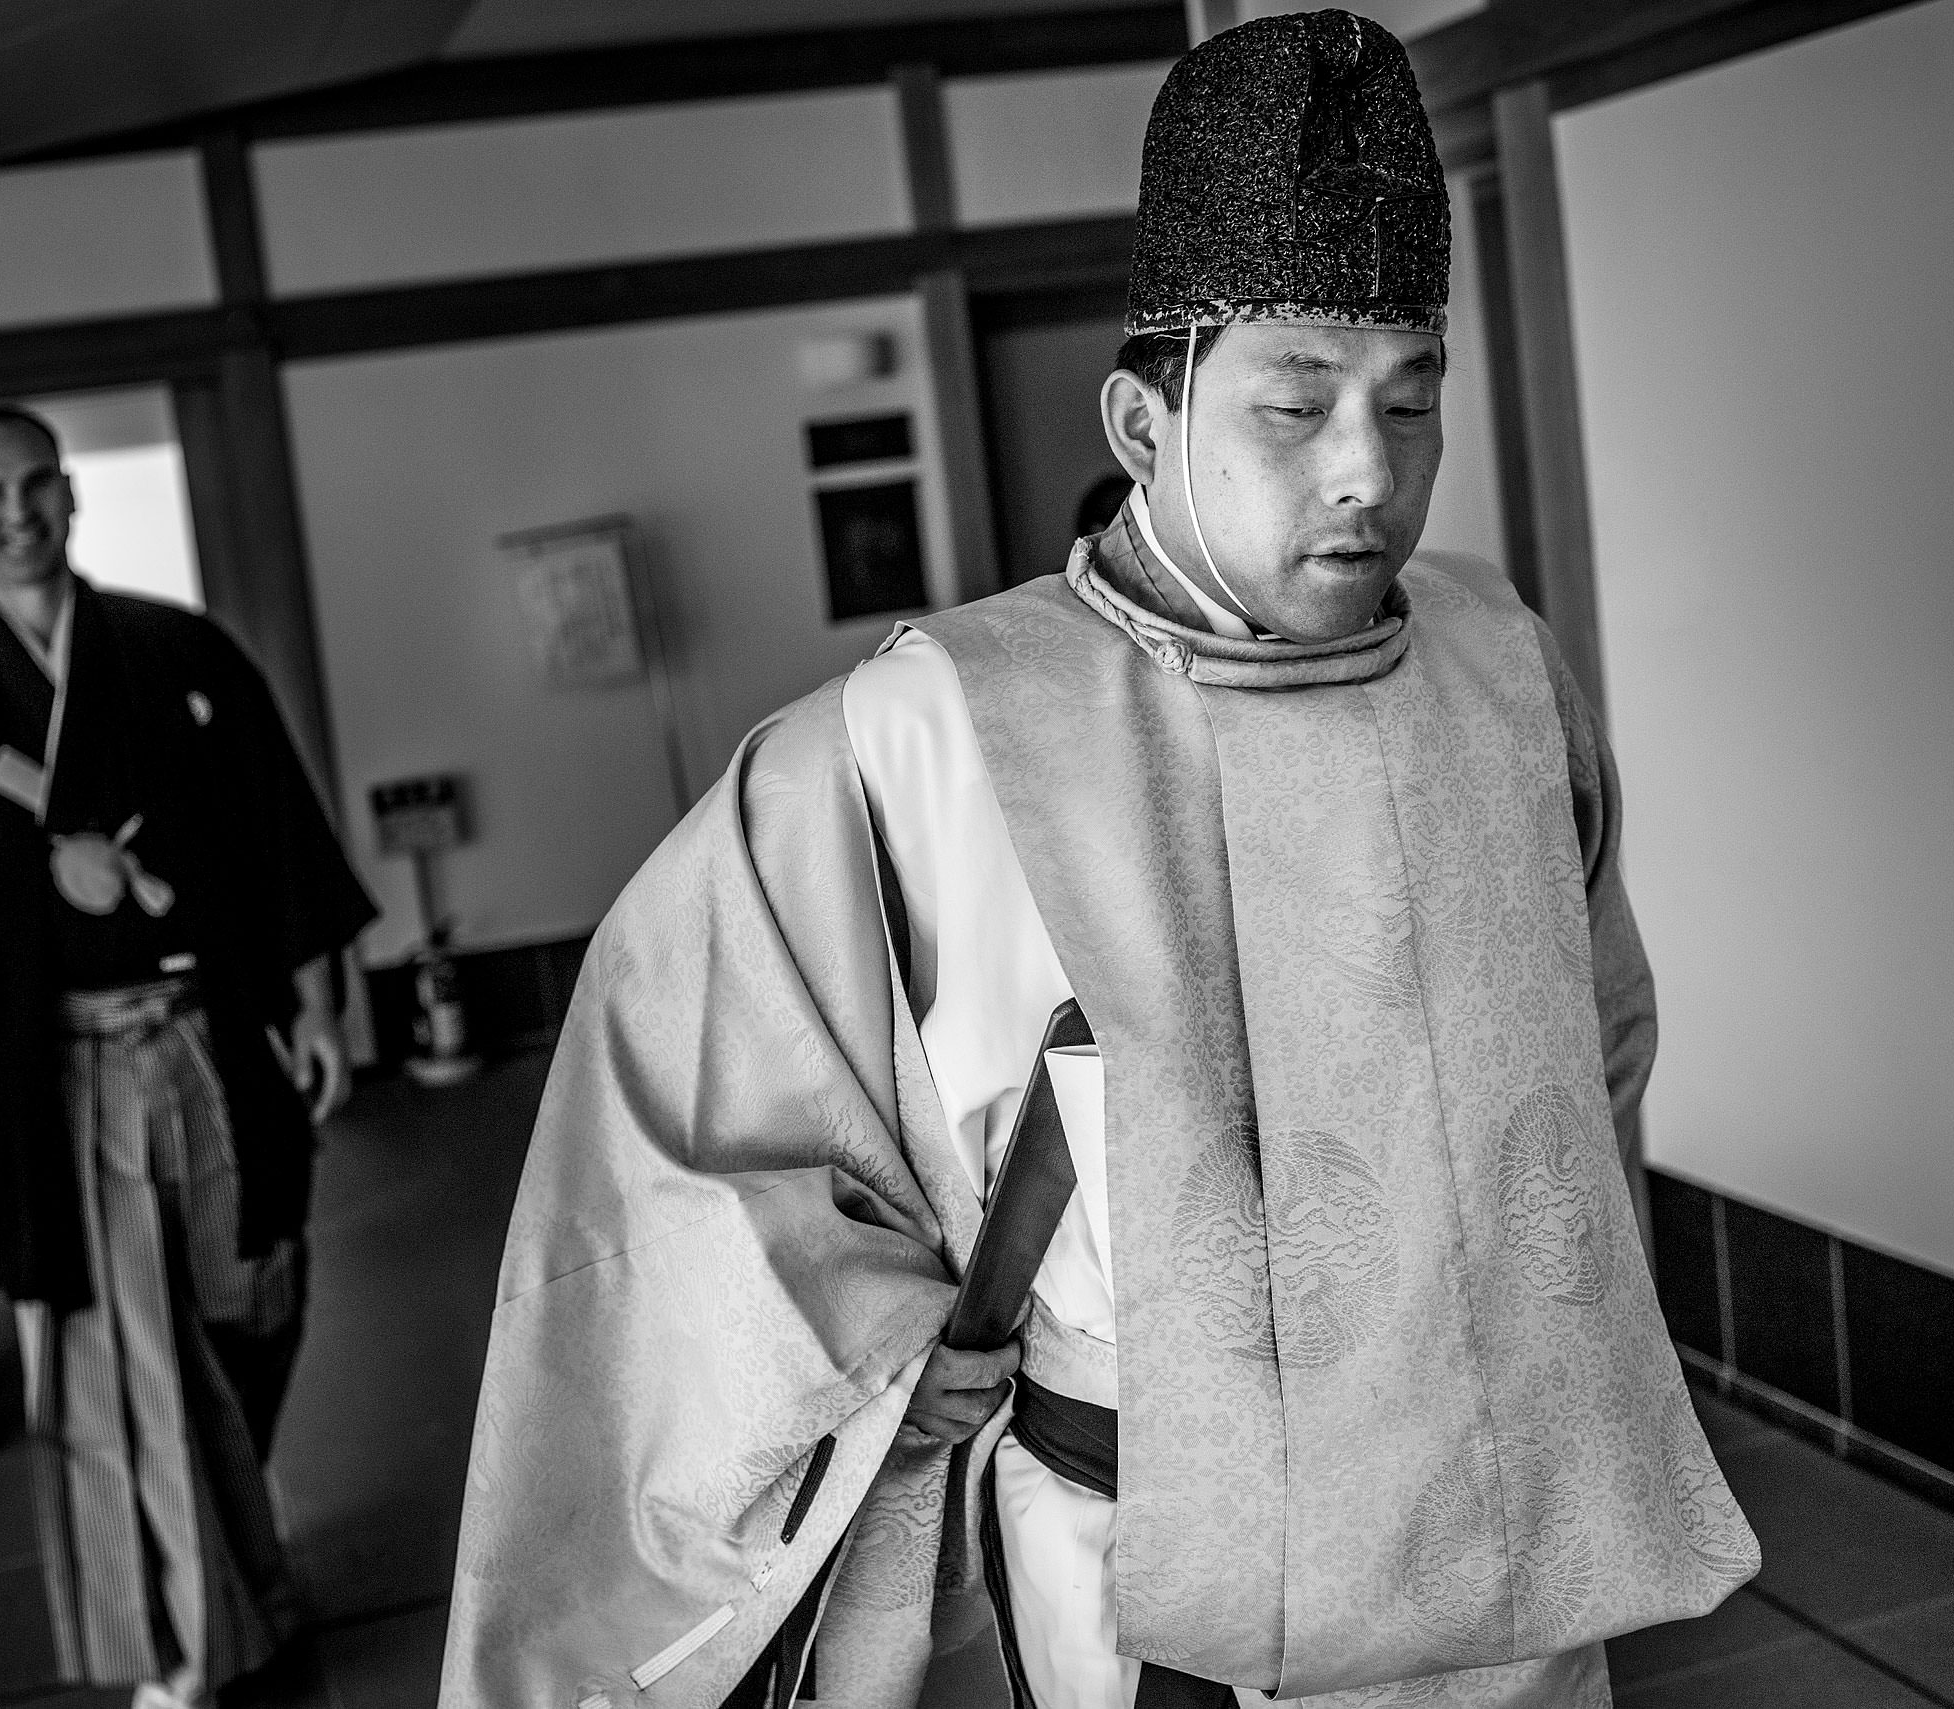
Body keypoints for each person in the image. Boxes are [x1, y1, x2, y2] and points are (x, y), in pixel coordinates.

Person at [442, 14, 1758, 1709]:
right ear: (1142, 423)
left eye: (1411, 399)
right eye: (1294, 405)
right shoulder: (924, 736)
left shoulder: (1500, 665)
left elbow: (1600, 1034)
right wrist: (898, 1348)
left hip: (1505, 1534)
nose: (1370, 470)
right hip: (1155, 1569)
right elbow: (685, 1149)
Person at [0, 405, 377, 1709]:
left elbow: (273, 833)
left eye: (34, 485)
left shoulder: (176, 653)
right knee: (114, 1345)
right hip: (44, 1081)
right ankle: (185, 1634)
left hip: (201, 1039)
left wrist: (315, 998)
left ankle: (233, 1548)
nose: (14, 512)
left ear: (70, 496)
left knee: (255, 1289)